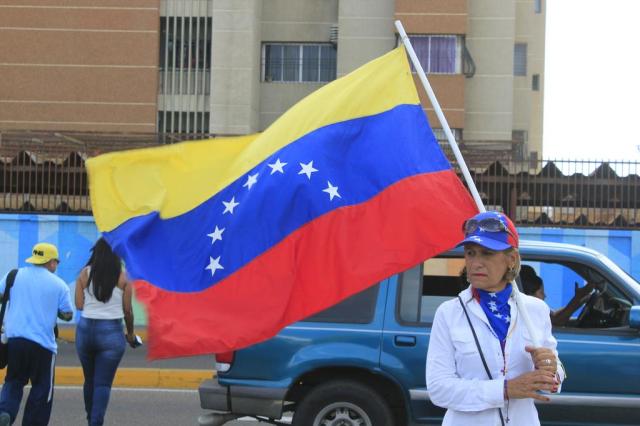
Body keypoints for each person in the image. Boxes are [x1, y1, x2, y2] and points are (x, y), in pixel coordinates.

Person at [426, 211, 565, 426]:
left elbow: (554, 376)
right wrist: (504, 390)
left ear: (511, 259)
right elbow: (439, 389)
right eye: (471, 253)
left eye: (487, 253)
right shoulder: (449, 313)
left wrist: (551, 370)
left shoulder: (536, 310)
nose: (475, 263)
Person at [0, 242, 73, 426]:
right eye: (56, 261)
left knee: (13, 381)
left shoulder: (14, 275)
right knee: (41, 390)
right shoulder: (59, 285)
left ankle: (5, 411)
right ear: (50, 262)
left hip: (15, 341)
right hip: (43, 347)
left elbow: (2, 294)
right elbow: (67, 313)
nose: (56, 265)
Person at [74, 238, 135, 426]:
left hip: (85, 330)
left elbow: (79, 305)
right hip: (111, 332)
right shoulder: (124, 277)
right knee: (102, 384)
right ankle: (95, 422)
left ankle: (89, 418)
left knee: (89, 380)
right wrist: (131, 334)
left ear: (96, 253)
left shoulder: (84, 274)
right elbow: (127, 311)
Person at [520, 265, 595, 326]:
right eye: (541, 292)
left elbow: (554, 315)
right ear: (530, 295)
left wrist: (580, 299)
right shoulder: (529, 310)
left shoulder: (534, 308)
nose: (545, 296)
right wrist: (578, 298)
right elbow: (557, 321)